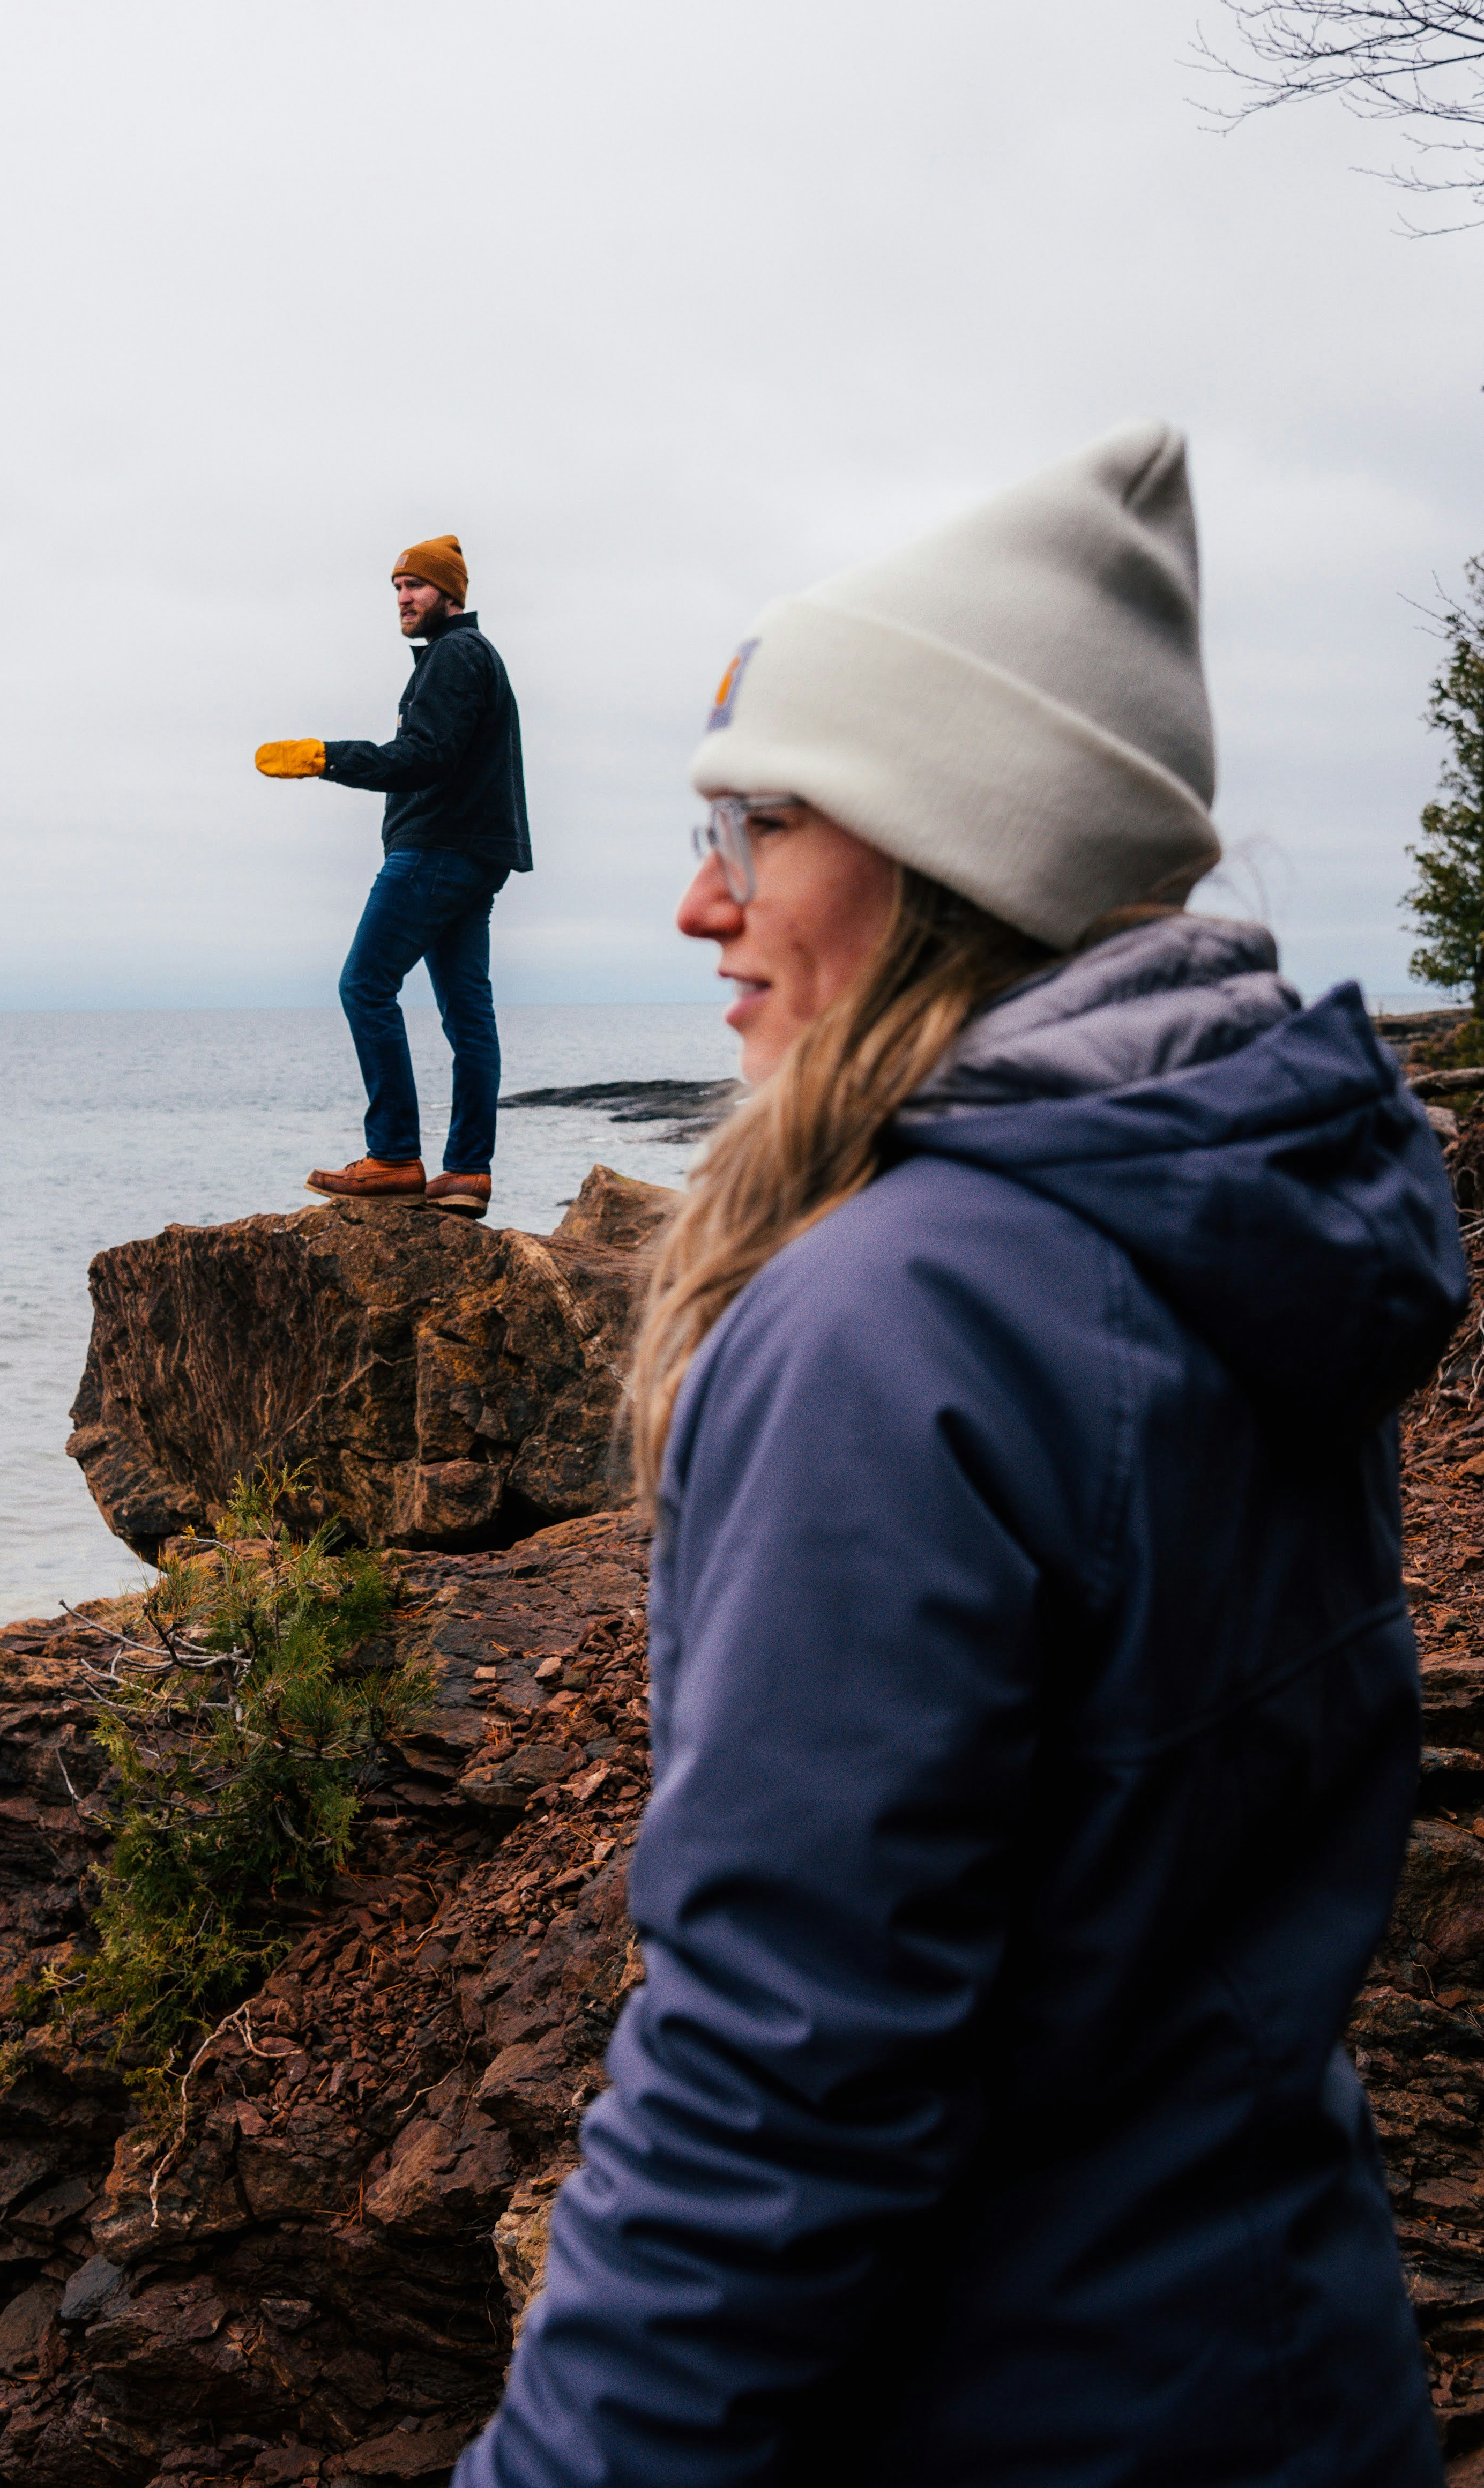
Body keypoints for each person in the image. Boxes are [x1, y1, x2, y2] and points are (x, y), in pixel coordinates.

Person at [453, 426, 1464, 2486]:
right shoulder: (1238, 1223)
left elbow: (776, 2089)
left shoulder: (886, 1321)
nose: (693, 900)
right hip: (1279, 2372)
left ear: (946, 852)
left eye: (755, 822)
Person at [256, 534, 531, 1218]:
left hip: (438, 850)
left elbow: (424, 756)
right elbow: (443, 752)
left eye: (416, 586)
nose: (404, 599)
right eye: (397, 588)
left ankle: (394, 1157)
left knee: (364, 984)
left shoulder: (455, 655)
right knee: (468, 1016)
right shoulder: (470, 658)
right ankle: (467, 1173)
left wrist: (329, 757)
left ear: (451, 593)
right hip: (476, 853)